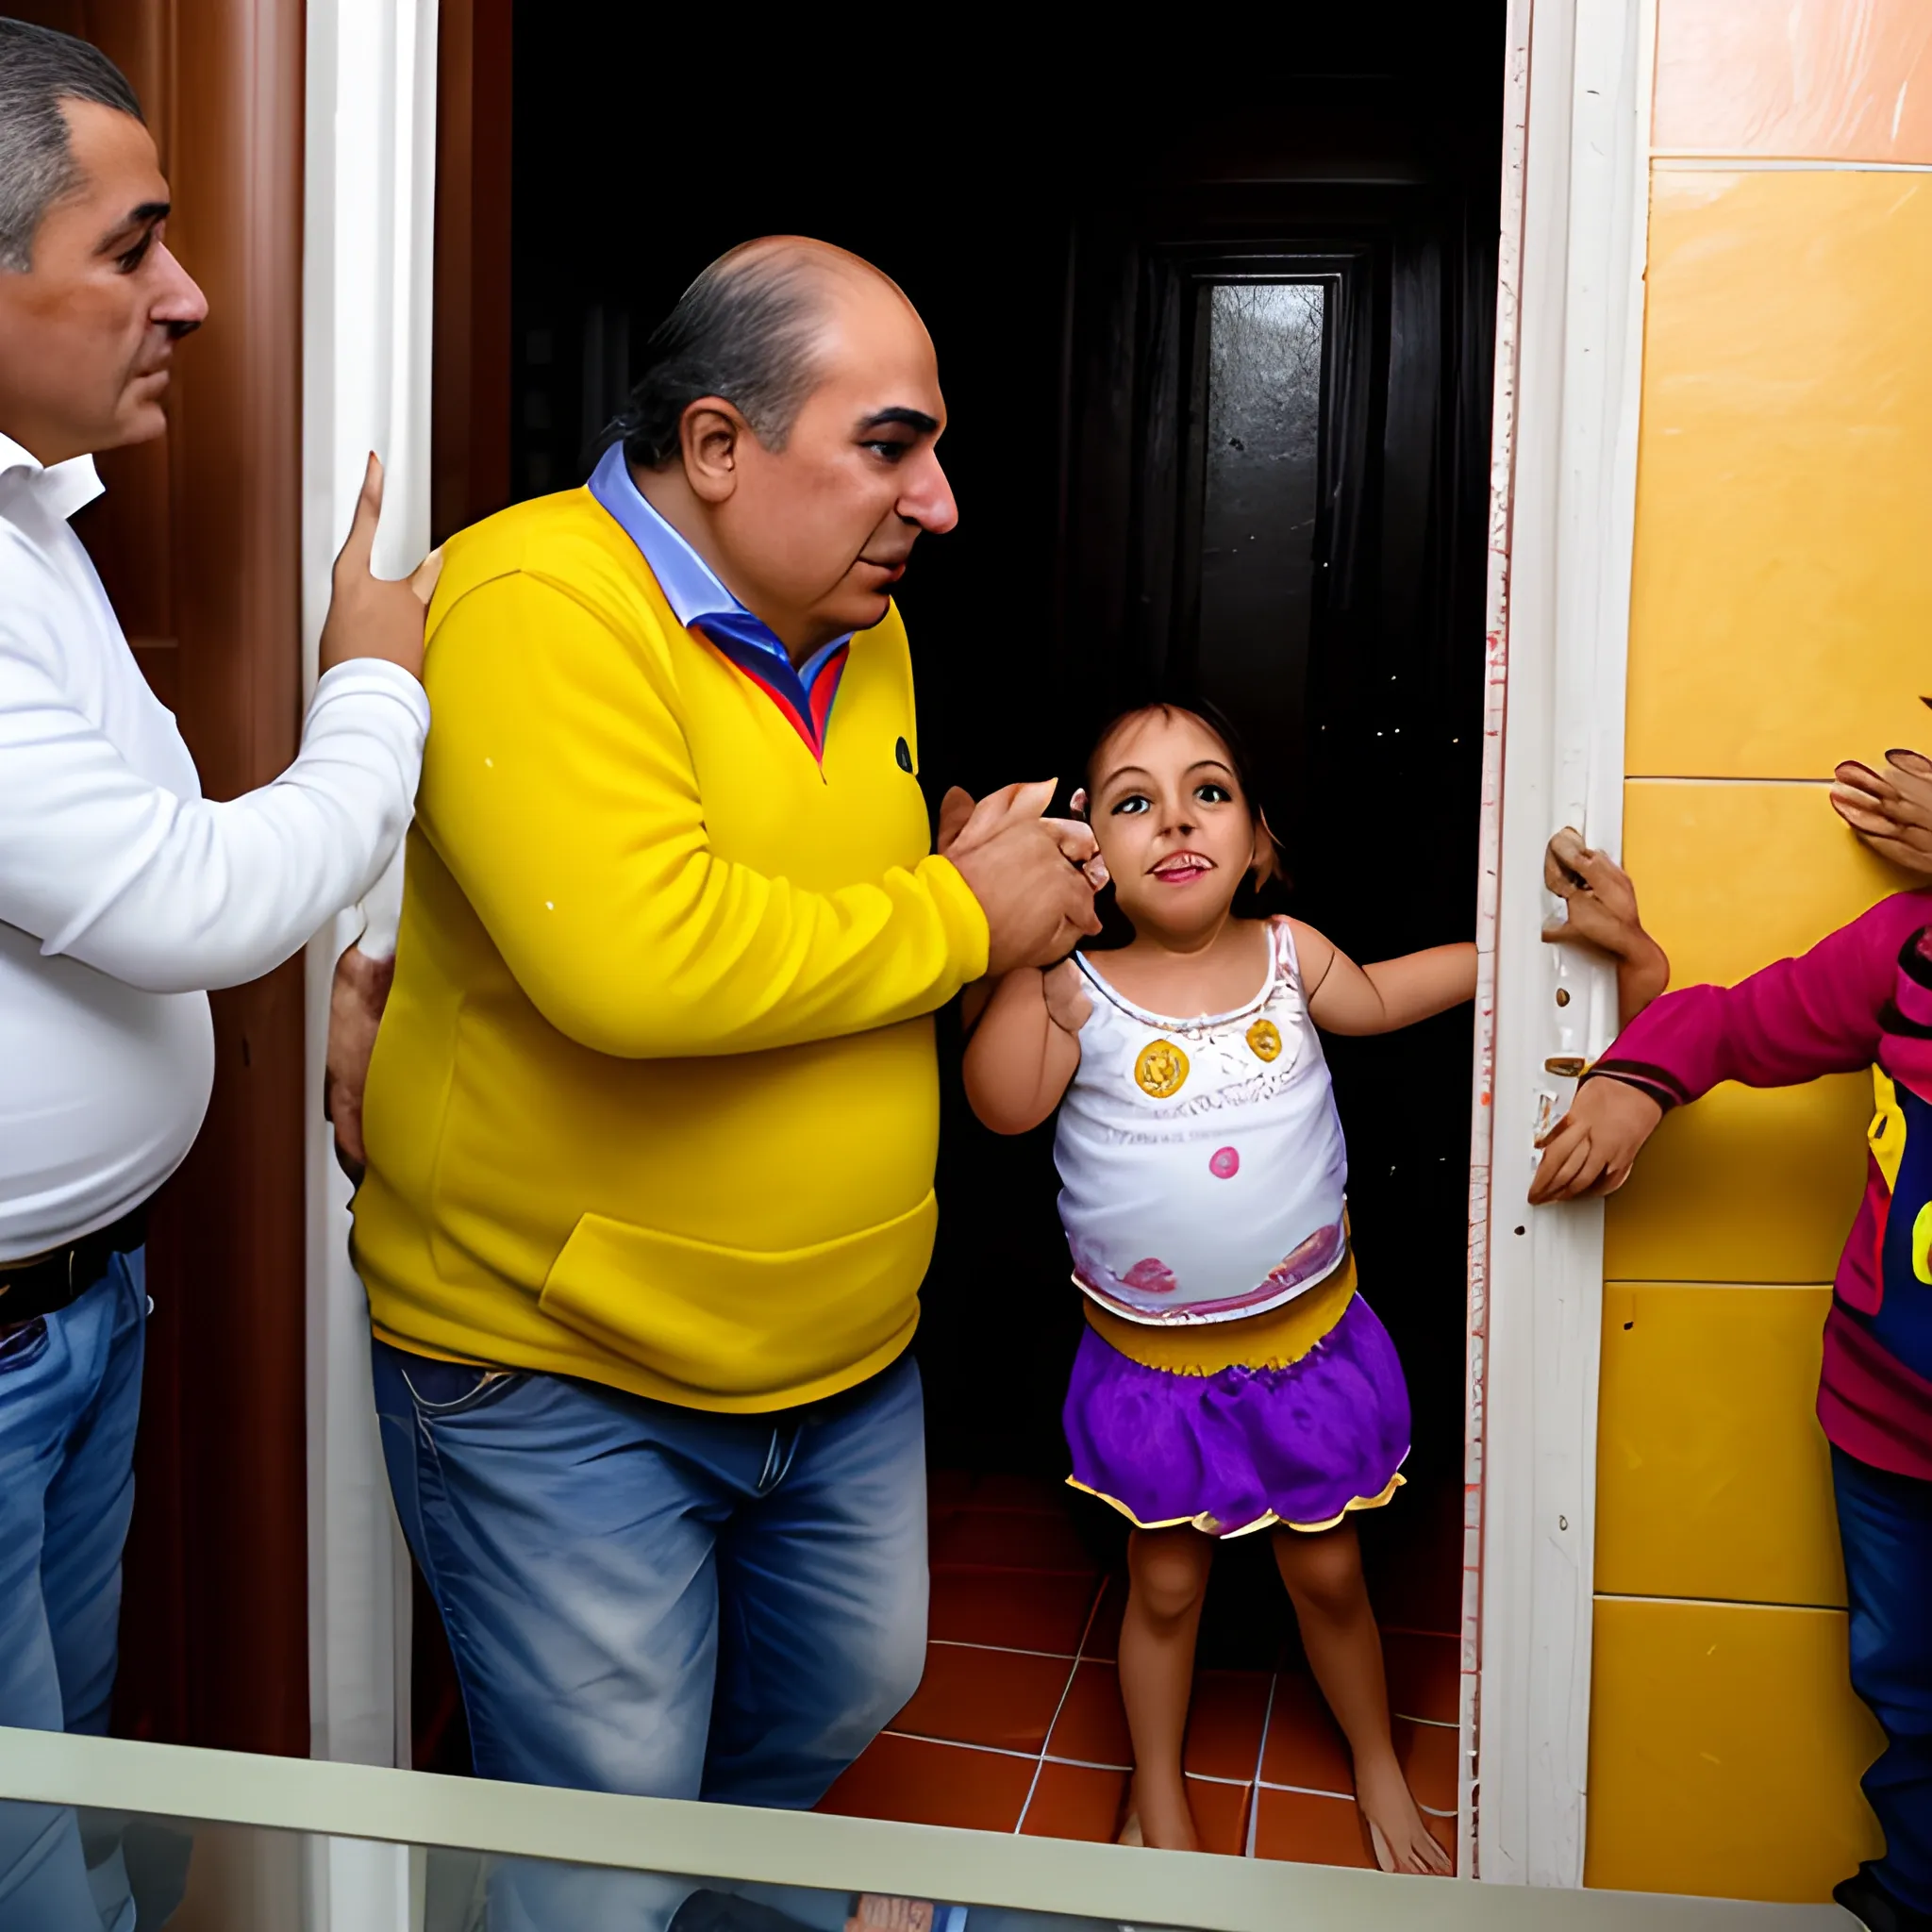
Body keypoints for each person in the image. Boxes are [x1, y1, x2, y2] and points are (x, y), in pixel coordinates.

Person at [335, 237, 1100, 1913]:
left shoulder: (858, 616)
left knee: (839, 1692)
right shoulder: (537, 600)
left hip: (838, 1358)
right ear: (714, 446)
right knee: (603, 1842)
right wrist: (958, 912)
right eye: (889, 446)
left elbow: (821, 917)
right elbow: (642, 962)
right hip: (561, 1371)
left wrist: (943, 882)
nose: (939, 502)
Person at [0, 20, 434, 1930]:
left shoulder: (37, 520)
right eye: (133, 245)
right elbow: (180, 893)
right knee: (33, 1872)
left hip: (75, 1319)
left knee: (80, 1780)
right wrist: (375, 678)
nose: (191, 293)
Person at [961, 700, 1478, 1869]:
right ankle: (1159, 1792)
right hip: (1154, 1372)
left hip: (1310, 1348)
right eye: (1134, 802)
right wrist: (1022, 951)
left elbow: (1390, 996)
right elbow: (1002, 1103)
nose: (1177, 819)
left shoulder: (1293, 954)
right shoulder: (1075, 987)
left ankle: (1380, 1765)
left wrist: (1517, 957)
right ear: (1088, 848)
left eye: (1208, 791)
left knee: (1330, 1571)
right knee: (1166, 1585)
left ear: (1253, 839)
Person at [1533, 858, 1932, 1932]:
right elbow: (1729, 1023)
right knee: (1910, 1694)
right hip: (1886, 1428)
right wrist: (1632, 1076)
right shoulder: (1906, 946)